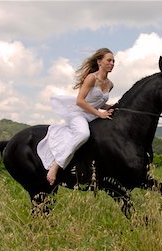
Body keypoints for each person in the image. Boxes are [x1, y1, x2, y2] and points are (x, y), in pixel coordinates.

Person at [37, 48, 115, 185]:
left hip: (93, 114)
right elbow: (80, 101)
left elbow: (99, 102)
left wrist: (111, 108)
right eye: (109, 60)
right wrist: (99, 114)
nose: (112, 63)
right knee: (83, 134)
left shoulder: (110, 84)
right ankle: (55, 166)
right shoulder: (91, 78)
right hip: (79, 113)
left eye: (114, 61)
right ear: (99, 62)